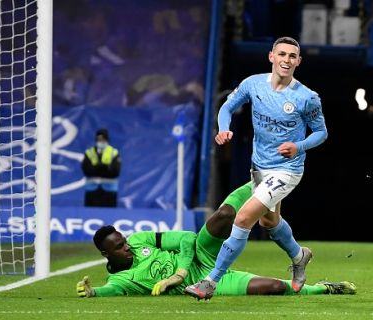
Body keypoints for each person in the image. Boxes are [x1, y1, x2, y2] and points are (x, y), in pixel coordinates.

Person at [185, 36, 328, 300]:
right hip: (259, 167)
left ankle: (209, 283)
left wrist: (299, 146)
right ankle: (299, 256)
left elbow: (321, 132)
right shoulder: (253, 84)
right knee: (269, 221)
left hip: (287, 170)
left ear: (298, 61)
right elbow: (227, 106)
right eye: (282, 54)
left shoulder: (307, 98)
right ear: (271, 57)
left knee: (243, 218)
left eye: (292, 56)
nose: (286, 60)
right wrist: (224, 128)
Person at [76, 183, 355, 298]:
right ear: (106, 254)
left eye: (124, 241)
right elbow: (106, 291)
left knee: (225, 214)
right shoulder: (122, 282)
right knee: (271, 287)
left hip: (199, 254)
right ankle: (325, 288)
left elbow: (186, 238)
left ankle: (262, 178)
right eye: (119, 247)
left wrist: (180, 272)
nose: (127, 247)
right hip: (203, 279)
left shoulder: (139, 240)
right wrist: (91, 293)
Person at [81, 128, 121, 207]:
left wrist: (98, 169)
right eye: (99, 139)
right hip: (92, 191)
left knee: (109, 215)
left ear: (107, 140)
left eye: (103, 139)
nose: (101, 142)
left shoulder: (114, 152)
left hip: (109, 191)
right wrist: (103, 168)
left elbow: (115, 172)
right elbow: (86, 171)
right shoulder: (89, 152)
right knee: (90, 214)